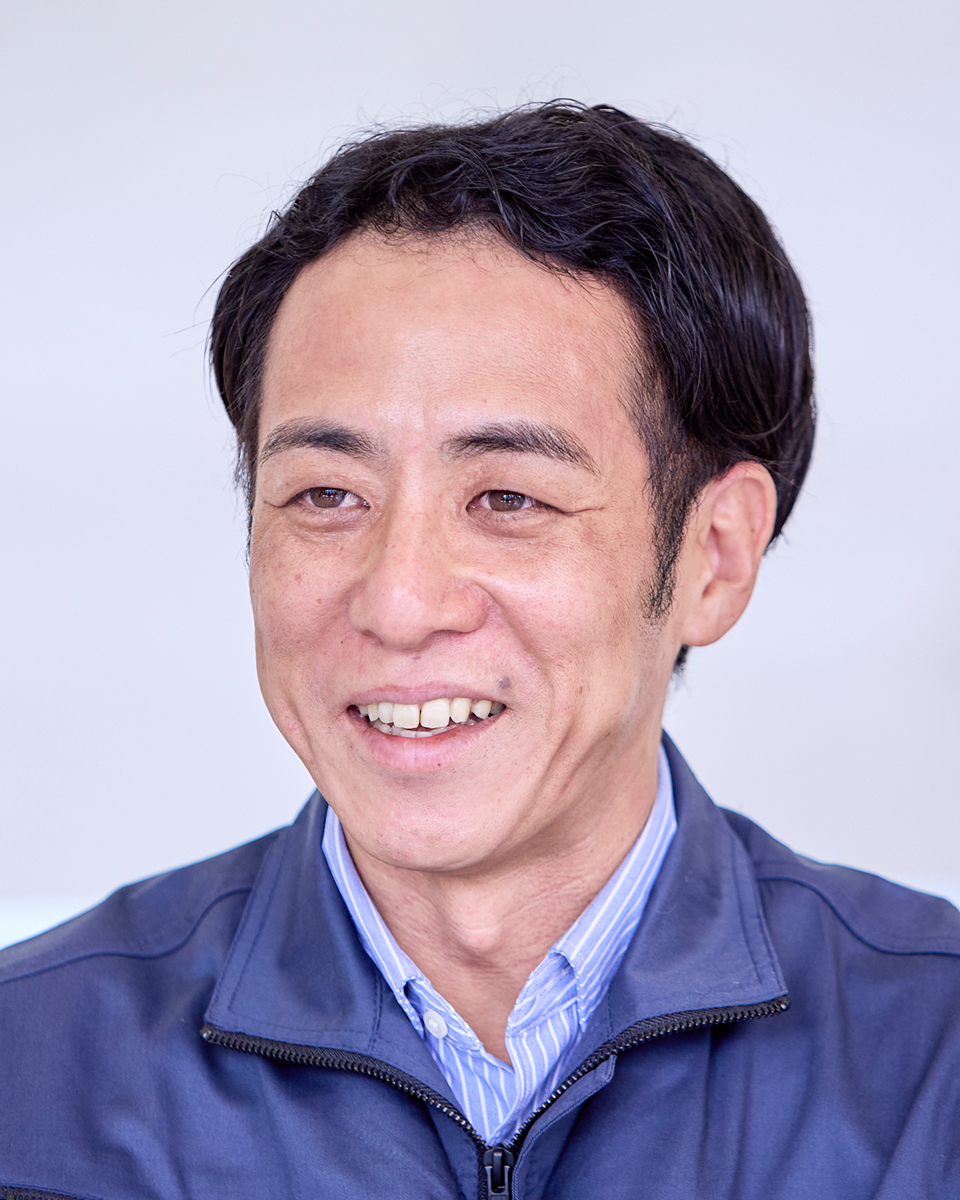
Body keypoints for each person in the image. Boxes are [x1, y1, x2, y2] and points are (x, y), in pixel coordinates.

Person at [1, 102, 957, 1200]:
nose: (400, 603)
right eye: (326, 494)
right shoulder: (31, 1072)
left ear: (715, 556)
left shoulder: (931, 1066)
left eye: (508, 498)